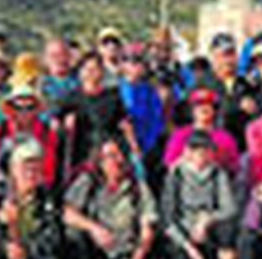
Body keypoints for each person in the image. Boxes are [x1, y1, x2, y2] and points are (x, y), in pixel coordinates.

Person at [64, 138, 159, 259]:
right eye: (111, 156)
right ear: (100, 161)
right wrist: (93, 228)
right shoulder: (89, 181)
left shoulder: (137, 186)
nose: (118, 160)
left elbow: (147, 229)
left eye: (120, 155)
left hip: (123, 251)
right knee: (72, 233)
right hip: (93, 247)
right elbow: (67, 213)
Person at [161, 131, 240, 259]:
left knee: (228, 226)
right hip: (184, 227)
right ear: (188, 152)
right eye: (198, 151)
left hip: (208, 225)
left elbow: (230, 207)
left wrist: (207, 220)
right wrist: (189, 247)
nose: (203, 156)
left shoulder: (218, 173)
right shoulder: (176, 174)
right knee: (179, 255)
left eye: (207, 151)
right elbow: (168, 218)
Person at [60, 54, 134, 173]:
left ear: (102, 72)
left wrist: (134, 148)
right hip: (82, 153)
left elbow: (124, 124)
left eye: (95, 69)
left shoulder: (112, 96)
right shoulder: (71, 98)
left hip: (109, 152)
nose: (90, 73)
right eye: (87, 69)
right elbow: (61, 122)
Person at [0, 84, 62, 187]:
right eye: (18, 107)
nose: (24, 112)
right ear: (11, 109)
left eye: (29, 107)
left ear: (36, 109)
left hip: (36, 184)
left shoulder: (46, 132)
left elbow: (49, 165)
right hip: (3, 183)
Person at [162, 89, 241, 176]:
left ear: (215, 110)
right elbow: (170, 167)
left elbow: (235, 167)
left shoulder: (225, 137)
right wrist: (186, 157)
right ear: (193, 110)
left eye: (208, 104)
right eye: (199, 104)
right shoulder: (180, 135)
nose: (204, 107)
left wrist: (220, 159)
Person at [118, 43, 167, 184]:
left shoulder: (150, 91)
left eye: (137, 61)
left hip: (146, 149)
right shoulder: (114, 89)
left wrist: (144, 147)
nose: (133, 66)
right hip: (121, 149)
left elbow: (157, 120)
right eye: (127, 60)